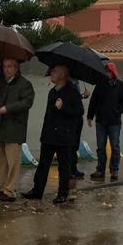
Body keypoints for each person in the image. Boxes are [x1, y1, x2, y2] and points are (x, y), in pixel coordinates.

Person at [22, 64, 84, 204]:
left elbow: (79, 111)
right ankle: (37, 190)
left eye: (55, 71)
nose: (51, 73)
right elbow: (48, 115)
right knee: (43, 164)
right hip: (49, 135)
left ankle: (62, 193)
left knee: (64, 166)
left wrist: (63, 108)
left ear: (62, 75)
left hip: (64, 136)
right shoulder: (52, 92)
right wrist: (44, 133)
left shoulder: (72, 92)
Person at [0, 56, 35, 202]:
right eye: (5, 67)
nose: (6, 69)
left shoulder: (25, 84)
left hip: (14, 128)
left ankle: (10, 190)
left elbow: (27, 102)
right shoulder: (0, 83)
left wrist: (9, 108)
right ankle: (3, 187)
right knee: (1, 160)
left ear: (16, 68)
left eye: (9, 67)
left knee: (12, 161)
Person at [87, 62, 123, 181]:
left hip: (114, 122)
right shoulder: (100, 85)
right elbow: (93, 101)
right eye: (106, 71)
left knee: (115, 146)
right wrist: (90, 116)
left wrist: (117, 112)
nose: (107, 74)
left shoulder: (121, 85)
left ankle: (114, 169)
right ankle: (100, 169)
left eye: (109, 72)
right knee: (100, 146)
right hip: (101, 120)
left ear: (114, 72)